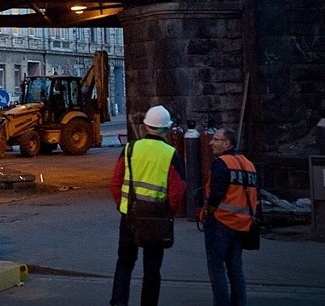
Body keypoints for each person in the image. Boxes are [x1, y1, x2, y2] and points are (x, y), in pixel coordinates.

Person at [109, 105, 186, 306]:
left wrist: (123, 205)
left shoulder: (129, 149)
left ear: (145, 127)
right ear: (166, 129)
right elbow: (177, 190)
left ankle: (119, 302)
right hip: (156, 219)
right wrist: (169, 211)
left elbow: (115, 183)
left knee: (124, 263)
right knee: (152, 270)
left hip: (129, 216)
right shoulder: (170, 154)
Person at [200, 127, 258, 306]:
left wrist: (207, 211)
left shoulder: (222, 163)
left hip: (221, 221)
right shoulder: (248, 164)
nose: (211, 142)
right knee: (235, 268)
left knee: (217, 268)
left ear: (227, 143)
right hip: (243, 224)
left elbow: (216, 193)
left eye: (216, 139)